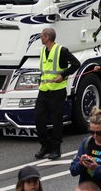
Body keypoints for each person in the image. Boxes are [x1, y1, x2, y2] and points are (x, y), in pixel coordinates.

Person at [34, 28, 80, 160]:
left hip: (57, 91)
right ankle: (45, 145)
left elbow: (76, 64)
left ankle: (56, 149)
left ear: (47, 37)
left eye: (42, 36)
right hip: (43, 90)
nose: (40, 38)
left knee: (56, 121)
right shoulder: (43, 50)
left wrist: (63, 75)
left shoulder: (61, 50)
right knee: (38, 118)